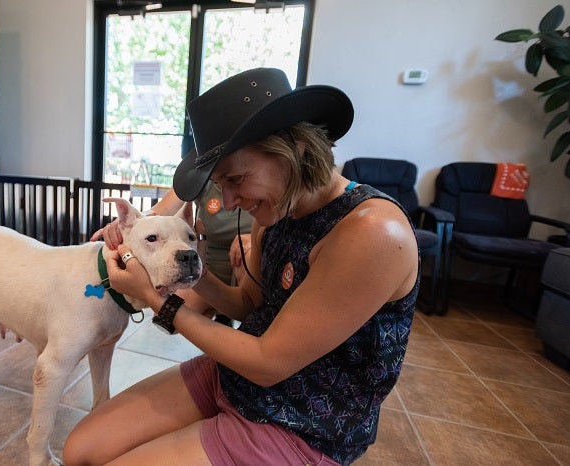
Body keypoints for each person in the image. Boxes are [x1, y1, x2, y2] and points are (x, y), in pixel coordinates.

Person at [63, 68, 419, 465]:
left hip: (305, 424)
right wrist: (191, 272)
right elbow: (249, 304)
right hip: (236, 377)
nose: (229, 201)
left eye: (236, 179)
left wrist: (155, 300)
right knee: (79, 451)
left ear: (296, 148)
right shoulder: (277, 215)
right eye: (220, 185)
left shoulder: (372, 233)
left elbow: (269, 362)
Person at [91, 180, 252, 320]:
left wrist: (257, 238)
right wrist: (131, 222)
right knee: (166, 317)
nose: (229, 202)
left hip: (245, 266)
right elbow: (161, 210)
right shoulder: (203, 171)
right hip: (207, 267)